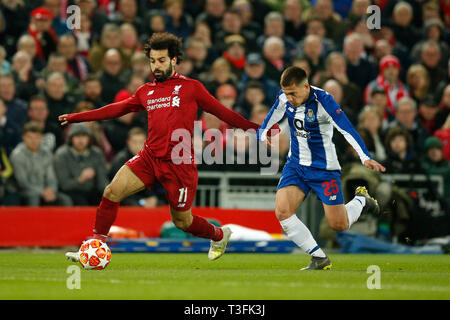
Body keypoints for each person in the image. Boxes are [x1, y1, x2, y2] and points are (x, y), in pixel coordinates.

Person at [61, 32, 279, 263]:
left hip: (180, 163)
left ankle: (219, 234)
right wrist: (77, 117)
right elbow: (116, 109)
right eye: (153, 60)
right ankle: (95, 246)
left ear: (174, 60)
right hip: (149, 158)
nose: (156, 65)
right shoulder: (145, 92)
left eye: (162, 60)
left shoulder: (191, 88)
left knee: (182, 222)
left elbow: (224, 113)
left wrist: (258, 129)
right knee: (111, 192)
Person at [257, 66, 385, 270]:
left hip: (324, 170)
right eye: (286, 93)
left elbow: (346, 128)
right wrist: (262, 134)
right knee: (283, 212)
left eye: (293, 93)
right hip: (296, 166)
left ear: (306, 87)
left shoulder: (324, 102)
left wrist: (364, 156)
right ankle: (319, 258)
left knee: (338, 225)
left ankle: (362, 200)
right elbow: (275, 113)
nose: (289, 98)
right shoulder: (284, 96)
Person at [10, 121, 72, 206]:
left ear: (42, 137)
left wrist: (51, 190)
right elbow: (22, 182)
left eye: (37, 137)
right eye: (30, 137)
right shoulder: (17, 155)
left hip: (46, 190)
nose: (33, 141)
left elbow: (51, 178)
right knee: (34, 197)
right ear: (23, 137)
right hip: (24, 191)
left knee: (65, 200)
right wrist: (42, 191)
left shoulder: (47, 153)